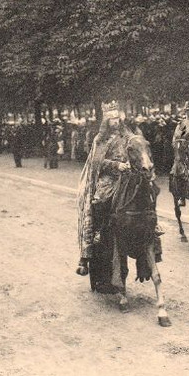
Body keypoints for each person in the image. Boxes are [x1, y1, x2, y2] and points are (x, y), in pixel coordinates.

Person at [75, 109, 131, 278]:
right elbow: (97, 161)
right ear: (106, 121)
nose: (116, 121)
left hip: (127, 175)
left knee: (146, 192)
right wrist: (116, 165)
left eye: (117, 118)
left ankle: (152, 235)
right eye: (112, 119)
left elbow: (136, 148)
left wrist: (131, 161)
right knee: (101, 199)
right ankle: (97, 231)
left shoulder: (127, 135)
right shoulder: (100, 139)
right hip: (108, 178)